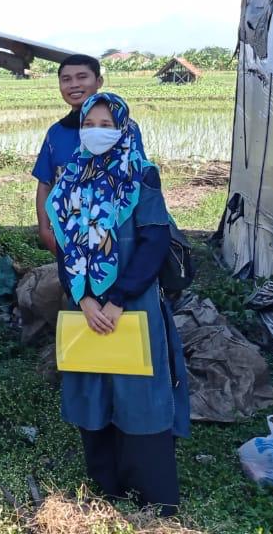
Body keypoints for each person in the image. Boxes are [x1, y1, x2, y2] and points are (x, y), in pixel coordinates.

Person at [46, 92, 189, 516]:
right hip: (85, 306)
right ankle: (106, 485)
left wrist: (118, 298)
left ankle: (152, 496)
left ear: (123, 127)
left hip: (132, 302)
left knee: (138, 391)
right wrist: (83, 297)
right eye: (88, 124)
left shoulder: (140, 175)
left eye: (104, 124)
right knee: (94, 386)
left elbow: (154, 241)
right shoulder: (70, 178)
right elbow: (65, 249)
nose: (95, 131)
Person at [33, 54, 104, 255]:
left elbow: (137, 181)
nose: (74, 84)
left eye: (82, 77)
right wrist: (45, 229)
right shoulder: (56, 133)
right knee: (74, 286)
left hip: (114, 232)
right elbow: (45, 184)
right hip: (68, 233)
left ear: (98, 82)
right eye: (66, 79)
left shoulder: (121, 129)